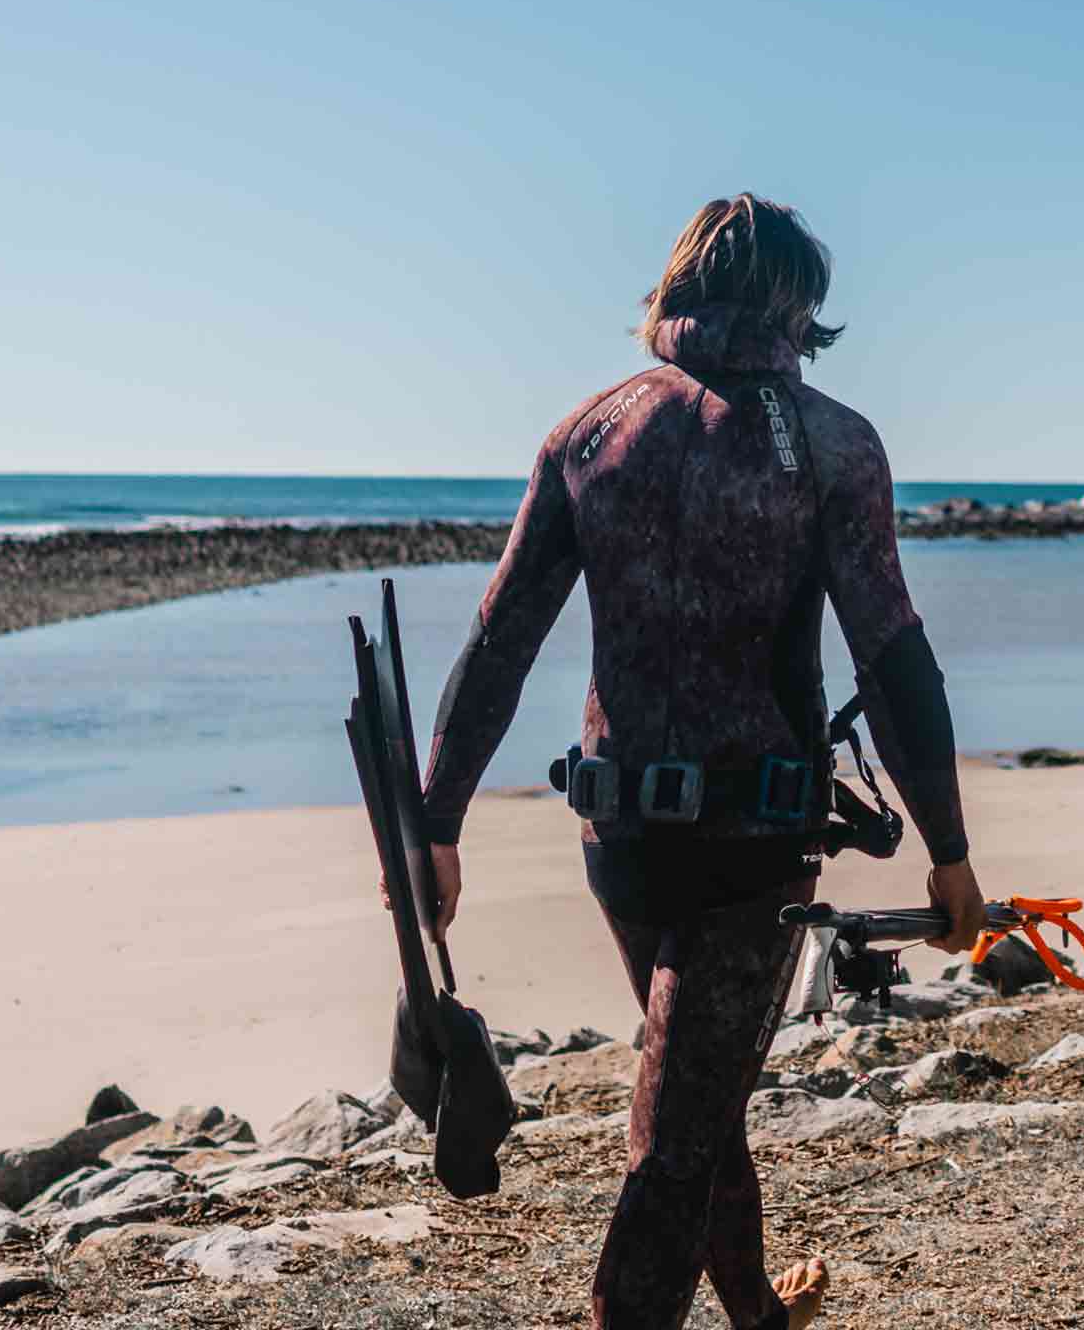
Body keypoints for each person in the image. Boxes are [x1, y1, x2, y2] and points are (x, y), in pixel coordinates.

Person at [413, 193, 979, 1330]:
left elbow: (499, 638)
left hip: (617, 836)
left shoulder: (589, 431)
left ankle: (760, 1312)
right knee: (674, 1142)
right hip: (751, 851)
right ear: (799, 304)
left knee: (698, 1098)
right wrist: (951, 854)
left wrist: (436, 819)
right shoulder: (829, 443)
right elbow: (895, 659)